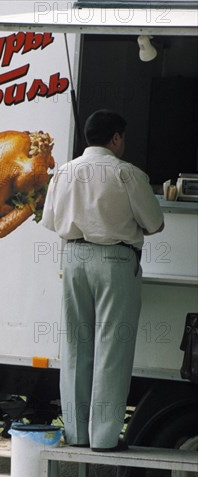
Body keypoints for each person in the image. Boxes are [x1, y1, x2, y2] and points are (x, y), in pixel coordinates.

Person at [42, 110, 164, 452]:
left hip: (73, 258)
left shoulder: (62, 173)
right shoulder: (127, 173)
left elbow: (51, 221)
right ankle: (105, 437)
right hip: (114, 260)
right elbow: (155, 224)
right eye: (122, 138)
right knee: (112, 346)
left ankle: (77, 433)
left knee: (75, 345)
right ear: (115, 138)